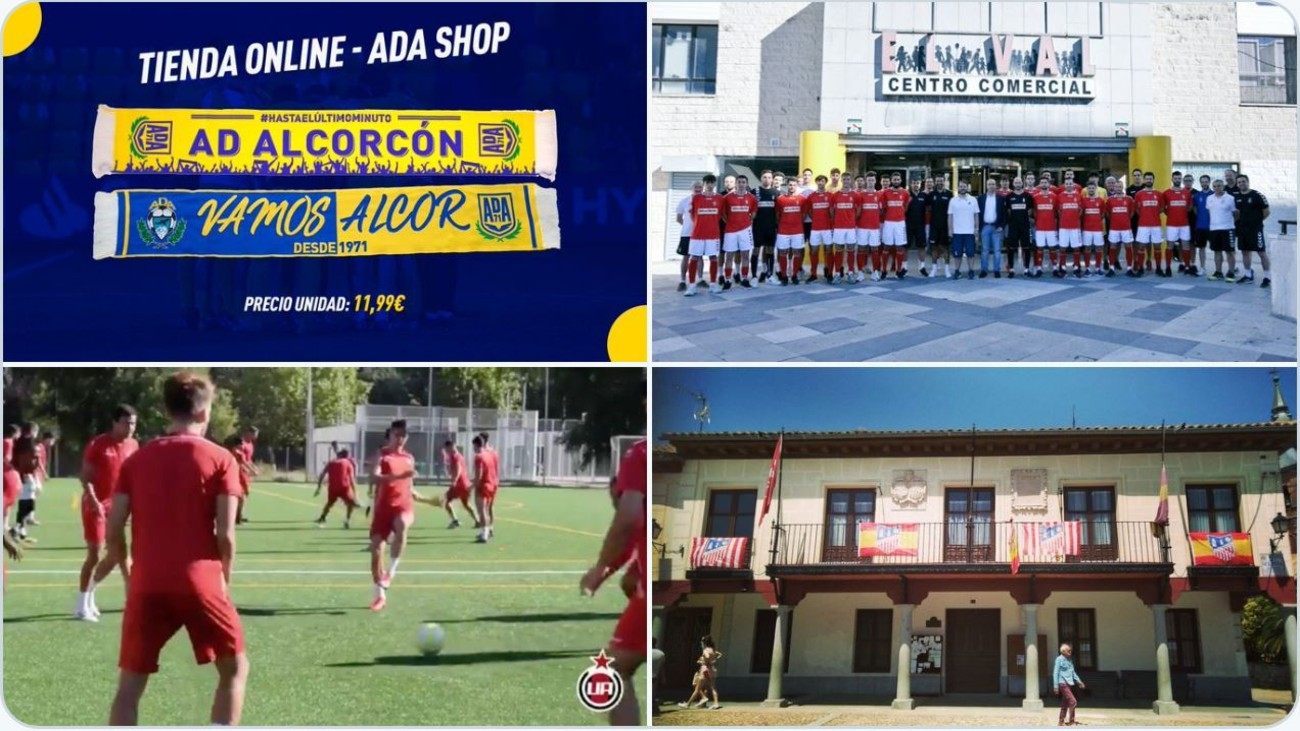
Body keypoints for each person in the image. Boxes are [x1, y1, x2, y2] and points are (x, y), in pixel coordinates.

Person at [105, 372, 247, 726]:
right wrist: (224, 579)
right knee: (233, 669)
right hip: (201, 581)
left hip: (147, 582)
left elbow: (113, 528)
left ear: (168, 409)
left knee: (129, 687)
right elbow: (226, 535)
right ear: (204, 412)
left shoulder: (135, 460)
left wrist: (127, 573)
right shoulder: (221, 458)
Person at [580, 416, 646, 726]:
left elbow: (626, 524)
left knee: (612, 669)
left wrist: (598, 569)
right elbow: (631, 543)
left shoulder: (640, 455)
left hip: (653, 592)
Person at [76, 405, 139, 622]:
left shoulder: (133, 445)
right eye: (126, 422)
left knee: (118, 556)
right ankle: (80, 604)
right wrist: (94, 501)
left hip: (118, 507)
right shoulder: (98, 444)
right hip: (95, 505)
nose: (130, 427)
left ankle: (92, 592)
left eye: (133, 423)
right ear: (114, 422)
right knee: (94, 554)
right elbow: (85, 477)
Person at [369, 420, 423, 611]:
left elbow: (409, 484)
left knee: (402, 525)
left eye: (403, 435)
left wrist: (414, 492)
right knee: (376, 550)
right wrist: (397, 477)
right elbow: (373, 477)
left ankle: (390, 573)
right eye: (396, 434)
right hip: (383, 507)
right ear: (390, 434)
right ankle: (380, 595)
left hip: (403, 505)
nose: (400, 438)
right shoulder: (382, 455)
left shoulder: (409, 457)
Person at [684, 174, 725, 296]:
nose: (710, 185)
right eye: (707, 182)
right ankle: (691, 286)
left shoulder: (720, 198)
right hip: (697, 234)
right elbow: (692, 215)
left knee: (713, 258)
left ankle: (713, 284)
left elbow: (722, 215)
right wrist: (700, 224)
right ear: (704, 184)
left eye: (712, 182)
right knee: (694, 258)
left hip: (713, 234)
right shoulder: (695, 198)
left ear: (715, 184)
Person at [1232, 174, 1272, 287]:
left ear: (1248, 182)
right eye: (1239, 182)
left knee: (1261, 253)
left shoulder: (1257, 195)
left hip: (1256, 230)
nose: (1241, 184)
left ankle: (1267, 277)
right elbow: (1237, 213)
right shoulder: (1236, 196)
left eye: (1243, 181)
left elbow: (1267, 211)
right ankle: (1248, 275)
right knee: (1245, 252)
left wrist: (1257, 222)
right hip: (1242, 229)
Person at [721, 175, 757, 289]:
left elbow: (754, 213)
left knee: (745, 255)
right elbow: (723, 214)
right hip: (730, 231)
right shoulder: (727, 197)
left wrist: (747, 222)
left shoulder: (752, 197)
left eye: (743, 182)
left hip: (746, 230)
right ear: (736, 184)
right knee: (729, 256)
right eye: (739, 182)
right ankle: (728, 280)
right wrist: (731, 222)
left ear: (746, 184)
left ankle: (744, 278)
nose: (741, 184)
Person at [1205, 179, 1240, 282]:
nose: (1217, 188)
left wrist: (1228, 223)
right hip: (1214, 229)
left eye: (1219, 186)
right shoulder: (1209, 198)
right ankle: (1218, 272)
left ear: (1223, 186)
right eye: (1215, 186)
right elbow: (1209, 212)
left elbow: (1236, 214)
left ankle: (1231, 272)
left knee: (1229, 252)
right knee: (1217, 251)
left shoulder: (1230, 198)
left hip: (1228, 229)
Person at [315, 448, 359, 528]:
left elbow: (322, 474)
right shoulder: (348, 463)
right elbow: (352, 479)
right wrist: (355, 493)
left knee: (329, 503)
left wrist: (319, 487)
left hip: (333, 488)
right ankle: (347, 520)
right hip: (344, 488)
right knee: (351, 504)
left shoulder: (331, 462)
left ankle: (323, 517)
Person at [774, 179, 807, 285]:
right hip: (783, 231)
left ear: (797, 186)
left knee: (797, 253)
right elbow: (777, 215)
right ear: (787, 186)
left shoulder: (802, 199)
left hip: (797, 231)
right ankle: (784, 276)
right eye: (790, 185)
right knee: (783, 253)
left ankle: (794, 276)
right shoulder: (780, 199)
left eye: (794, 185)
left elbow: (804, 215)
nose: (792, 186)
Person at [440, 440, 478, 529]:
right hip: (465, 484)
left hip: (459, 484)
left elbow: (458, 468)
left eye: (446, 449)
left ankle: (455, 520)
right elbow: (451, 470)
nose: (446, 451)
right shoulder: (458, 456)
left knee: (446, 500)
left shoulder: (455, 456)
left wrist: (455, 480)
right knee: (466, 504)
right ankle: (477, 520)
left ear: (450, 447)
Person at [11, 423, 39, 542]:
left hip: (23, 474)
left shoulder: (19, 442)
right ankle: (17, 528)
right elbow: (26, 459)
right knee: (27, 503)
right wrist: (25, 473)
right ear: (33, 431)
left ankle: (21, 529)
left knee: (27, 502)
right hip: (25, 475)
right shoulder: (28, 442)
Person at [674, 181, 703, 292]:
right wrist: (688, 226)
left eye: (700, 187)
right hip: (687, 234)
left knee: (699, 256)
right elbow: (678, 218)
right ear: (691, 188)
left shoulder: (705, 200)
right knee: (686, 257)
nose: (698, 188)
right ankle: (682, 281)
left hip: (700, 234)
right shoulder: (685, 201)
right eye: (696, 187)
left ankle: (700, 279)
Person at [881, 172, 911, 278]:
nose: (896, 181)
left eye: (898, 179)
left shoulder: (905, 193)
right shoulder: (885, 192)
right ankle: (884, 270)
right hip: (888, 222)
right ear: (891, 181)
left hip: (900, 223)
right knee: (886, 246)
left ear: (901, 180)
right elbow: (883, 209)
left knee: (900, 247)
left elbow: (906, 207)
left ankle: (899, 270)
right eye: (894, 179)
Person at [1163, 172, 1193, 276]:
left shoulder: (1187, 193)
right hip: (1171, 224)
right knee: (1170, 246)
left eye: (1179, 178)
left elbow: (1189, 207)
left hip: (1184, 224)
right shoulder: (1166, 193)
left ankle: (1187, 267)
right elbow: (1164, 209)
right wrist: (1172, 214)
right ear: (1172, 179)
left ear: (1181, 180)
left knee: (1186, 246)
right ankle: (1168, 268)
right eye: (1175, 178)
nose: (1177, 180)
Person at [948, 179, 979, 279]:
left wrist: (976, 229)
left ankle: (971, 271)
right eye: (961, 186)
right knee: (957, 254)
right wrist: (950, 229)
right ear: (958, 188)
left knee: (970, 253)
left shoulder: (973, 200)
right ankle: (957, 271)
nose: (962, 188)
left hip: (970, 232)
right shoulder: (953, 200)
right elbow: (950, 216)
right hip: (957, 232)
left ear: (967, 187)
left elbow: (976, 215)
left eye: (964, 186)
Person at [1133, 172, 1163, 277]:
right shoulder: (1139, 194)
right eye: (1147, 179)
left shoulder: (1159, 194)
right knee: (1141, 247)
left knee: (1157, 247)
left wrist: (1152, 214)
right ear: (1144, 180)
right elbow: (1136, 209)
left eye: (1151, 179)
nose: (1149, 180)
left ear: (1153, 180)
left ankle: (1158, 268)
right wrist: (1145, 216)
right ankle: (1141, 268)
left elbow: (1162, 208)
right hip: (1143, 225)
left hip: (1156, 225)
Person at [830, 177, 859, 283]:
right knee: (838, 250)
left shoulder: (855, 195)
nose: (846, 181)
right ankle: (837, 273)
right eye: (844, 179)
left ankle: (850, 272)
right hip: (838, 227)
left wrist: (852, 220)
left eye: (848, 179)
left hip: (850, 227)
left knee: (851, 249)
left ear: (850, 181)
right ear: (841, 181)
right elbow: (831, 210)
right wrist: (837, 221)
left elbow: (858, 210)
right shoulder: (835, 195)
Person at [976, 178, 1007, 278]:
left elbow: (1004, 214)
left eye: (993, 184)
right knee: (984, 250)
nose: (991, 186)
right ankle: (984, 270)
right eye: (989, 184)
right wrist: (978, 227)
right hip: (985, 227)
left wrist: (1002, 226)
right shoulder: (980, 198)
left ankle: (996, 270)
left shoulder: (1001, 198)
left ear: (996, 186)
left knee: (997, 250)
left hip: (996, 227)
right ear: (986, 186)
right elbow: (977, 214)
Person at [1105, 179, 1136, 277]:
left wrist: (1125, 220)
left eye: (1120, 186)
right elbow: (1108, 214)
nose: (1118, 188)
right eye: (1116, 186)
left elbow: (1131, 213)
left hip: (1126, 228)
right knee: (1113, 247)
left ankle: (1129, 268)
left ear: (1123, 187)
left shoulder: (1129, 199)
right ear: (1114, 187)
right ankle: (1111, 268)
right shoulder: (1110, 200)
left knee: (1128, 247)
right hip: (1114, 228)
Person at [856, 173, 884, 281]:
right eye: (869, 180)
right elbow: (857, 211)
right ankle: (860, 272)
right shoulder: (860, 195)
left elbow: (881, 211)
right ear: (866, 181)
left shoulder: (879, 195)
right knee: (861, 249)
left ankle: (875, 272)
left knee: (875, 249)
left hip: (874, 227)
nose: (870, 182)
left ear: (875, 181)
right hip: (862, 227)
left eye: (872, 180)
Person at [752, 170, 778, 283]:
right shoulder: (754, 192)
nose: (767, 179)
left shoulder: (777, 193)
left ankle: (770, 274)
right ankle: (754, 276)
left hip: (771, 227)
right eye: (764, 177)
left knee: (770, 250)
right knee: (756, 251)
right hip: (758, 227)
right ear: (761, 178)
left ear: (772, 179)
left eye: (769, 177)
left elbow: (778, 211)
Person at [473, 435, 500, 543]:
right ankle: (488, 529)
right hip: (492, 483)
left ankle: (484, 533)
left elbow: (479, 475)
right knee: (488, 508)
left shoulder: (479, 457)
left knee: (482, 510)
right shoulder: (490, 454)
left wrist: (472, 485)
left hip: (483, 485)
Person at [1005, 178, 1033, 278]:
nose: (1018, 184)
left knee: (1027, 248)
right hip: (1013, 226)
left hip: (1025, 226)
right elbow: (1008, 211)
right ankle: (1011, 269)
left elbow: (1030, 211)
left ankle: (1026, 269)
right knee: (1011, 248)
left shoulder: (1028, 196)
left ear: (1022, 183)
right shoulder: (1009, 197)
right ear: (1013, 184)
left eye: (1019, 182)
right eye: (1016, 182)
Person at [1055, 179, 1084, 277]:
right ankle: (1062, 267)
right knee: (1062, 247)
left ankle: (1076, 267)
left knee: (1076, 247)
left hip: (1075, 227)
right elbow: (1058, 211)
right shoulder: (1060, 196)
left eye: (1070, 184)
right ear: (1064, 185)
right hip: (1063, 227)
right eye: (1066, 184)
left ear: (1074, 185)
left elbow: (1081, 211)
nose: (1068, 185)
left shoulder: (1079, 196)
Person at [1053, 643, 1086, 726]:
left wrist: (1079, 682)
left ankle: (1061, 721)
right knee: (1073, 701)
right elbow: (1055, 672)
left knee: (1065, 703)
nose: (1070, 651)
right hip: (1062, 683)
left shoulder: (1070, 660)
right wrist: (1055, 686)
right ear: (1063, 651)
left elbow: (1073, 673)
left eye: (1070, 650)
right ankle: (1071, 721)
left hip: (1069, 683)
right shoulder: (1059, 659)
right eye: (1069, 650)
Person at [1031, 177, 1058, 278]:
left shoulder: (1054, 196)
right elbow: (1034, 211)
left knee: (1052, 248)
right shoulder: (1036, 197)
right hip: (1040, 227)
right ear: (1039, 184)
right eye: (1042, 182)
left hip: (1051, 228)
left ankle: (1055, 268)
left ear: (1049, 184)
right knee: (1040, 248)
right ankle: (1039, 269)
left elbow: (1057, 211)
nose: (1044, 184)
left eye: (1045, 182)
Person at [28, 431, 56, 528]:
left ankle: (30, 516)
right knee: (34, 493)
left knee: (35, 494)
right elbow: (38, 461)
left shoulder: (43, 447)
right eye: (52, 440)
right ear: (47, 439)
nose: (53, 442)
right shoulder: (40, 447)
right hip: (35, 473)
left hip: (37, 474)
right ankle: (29, 517)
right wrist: (44, 473)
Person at [1081, 179, 1107, 276]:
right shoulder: (1083, 200)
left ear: (1096, 189)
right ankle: (1087, 268)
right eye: (1089, 188)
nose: (1091, 190)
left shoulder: (1100, 200)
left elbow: (1102, 214)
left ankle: (1098, 268)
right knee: (1087, 248)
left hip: (1097, 229)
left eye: (1093, 188)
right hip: (1087, 229)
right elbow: (1081, 214)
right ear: (1087, 189)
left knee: (1098, 248)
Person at [929, 176, 955, 278]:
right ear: (935, 182)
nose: (939, 182)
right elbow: (927, 208)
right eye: (938, 181)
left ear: (944, 182)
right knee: (934, 248)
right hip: (934, 226)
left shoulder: (949, 194)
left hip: (945, 226)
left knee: (945, 248)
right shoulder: (931, 195)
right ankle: (934, 269)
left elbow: (952, 211)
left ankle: (947, 270)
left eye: (941, 181)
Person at [905, 177, 930, 276]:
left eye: (918, 183)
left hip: (920, 225)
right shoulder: (907, 195)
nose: (916, 185)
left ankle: (922, 267)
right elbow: (903, 209)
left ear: (920, 184)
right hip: (908, 225)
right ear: (911, 184)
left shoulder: (924, 195)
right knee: (905, 247)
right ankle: (904, 267)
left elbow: (928, 209)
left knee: (921, 246)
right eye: (914, 183)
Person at [1191, 174, 1214, 276]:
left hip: (1214, 227)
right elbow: (1195, 210)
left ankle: (1219, 270)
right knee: (1201, 248)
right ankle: (1202, 267)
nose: (1204, 183)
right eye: (1202, 182)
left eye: (1206, 181)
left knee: (1218, 249)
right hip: (1200, 226)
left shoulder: (1214, 194)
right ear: (1200, 183)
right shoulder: (1196, 196)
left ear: (1209, 182)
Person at [235, 427, 259, 524]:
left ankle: (239, 515)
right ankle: (237, 517)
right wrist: (251, 469)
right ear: (248, 433)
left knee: (244, 494)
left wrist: (254, 467)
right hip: (240, 470)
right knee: (241, 495)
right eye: (255, 434)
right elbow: (242, 460)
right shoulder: (241, 443)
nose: (256, 436)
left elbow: (249, 459)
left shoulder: (251, 444)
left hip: (246, 471)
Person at [2, 426, 20, 541]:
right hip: (5, 474)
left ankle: (5, 526)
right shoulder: (9, 442)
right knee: (8, 500)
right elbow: (6, 458)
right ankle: (4, 527)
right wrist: (12, 468)